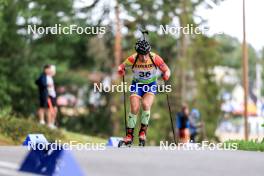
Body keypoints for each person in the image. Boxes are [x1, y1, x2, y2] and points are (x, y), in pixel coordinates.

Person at [117, 31, 171, 146]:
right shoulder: (133, 59)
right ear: (137, 53)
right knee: (135, 107)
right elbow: (121, 66)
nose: (144, 57)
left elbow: (167, 69)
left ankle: (142, 132)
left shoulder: (155, 58)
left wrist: (166, 74)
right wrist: (120, 70)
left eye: (146, 54)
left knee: (146, 105)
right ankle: (129, 136)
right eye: (142, 54)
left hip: (150, 85)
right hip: (137, 85)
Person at [46, 65, 57, 129]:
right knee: (50, 110)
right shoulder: (46, 78)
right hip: (49, 95)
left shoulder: (50, 78)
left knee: (54, 110)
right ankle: (49, 124)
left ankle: (52, 124)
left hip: (53, 95)